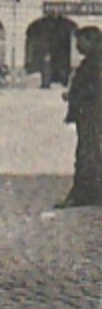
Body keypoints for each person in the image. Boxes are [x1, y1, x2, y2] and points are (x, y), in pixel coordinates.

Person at [56, 26, 101, 209]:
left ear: (91, 41)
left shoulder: (96, 62)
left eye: (80, 41)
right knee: (93, 153)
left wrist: (74, 96)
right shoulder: (93, 60)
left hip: (92, 113)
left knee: (86, 153)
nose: (77, 46)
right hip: (91, 113)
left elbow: (95, 89)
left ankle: (81, 194)